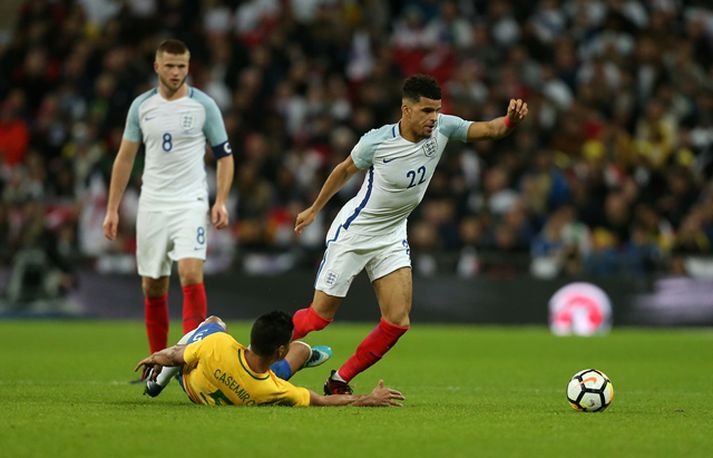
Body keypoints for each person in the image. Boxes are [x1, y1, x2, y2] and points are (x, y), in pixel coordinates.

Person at [291, 74, 529, 394]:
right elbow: (345, 169)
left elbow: (490, 129)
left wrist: (510, 121)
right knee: (318, 319)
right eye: (427, 111)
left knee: (397, 321)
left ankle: (339, 380)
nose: (434, 118)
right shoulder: (377, 141)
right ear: (406, 110)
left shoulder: (444, 127)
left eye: (437, 110)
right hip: (355, 233)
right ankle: (260, 351)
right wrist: (315, 209)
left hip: (391, 235)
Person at [102, 39, 234, 354]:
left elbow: (225, 156)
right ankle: (156, 362)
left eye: (182, 67)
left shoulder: (204, 105)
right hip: (152, 203)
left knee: (190, 271)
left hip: (191, 201)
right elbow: (124, 158)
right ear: (157, 67)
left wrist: (220, 200)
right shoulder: (141, 107)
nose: (176, 73)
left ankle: (191, 359)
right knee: (153, 284)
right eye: (170, 66)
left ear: (188, 68)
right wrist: (112, 209)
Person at [134, 312, 405, 407]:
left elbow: (176, 354)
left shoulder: (219, 344)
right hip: (256, 380)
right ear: (278, 350)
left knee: (213, 322)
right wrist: (368, 398)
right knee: (301, 350)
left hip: (191, 385)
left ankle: (156, 384)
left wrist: (155, 357)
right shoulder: (272, 389)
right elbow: (324, 400)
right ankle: (304, 353)